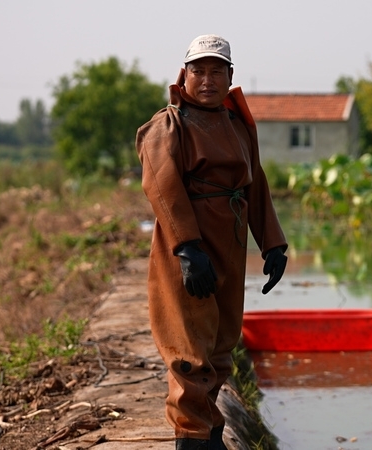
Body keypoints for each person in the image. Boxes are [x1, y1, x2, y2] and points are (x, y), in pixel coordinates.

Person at [136, 34, 288, 450]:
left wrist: (272, 243)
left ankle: (210, 428)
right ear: (184, 76)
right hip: (191, 247)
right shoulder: (167, 127)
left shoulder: (238, 124)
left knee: (222, 342)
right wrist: (187, 248)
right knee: (189, 345)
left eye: (216, 71)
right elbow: (163, 188)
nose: (207, 79)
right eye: (198, 71)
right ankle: (191, 436)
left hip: (231, 243)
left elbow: (254, 185)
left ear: (230, 76)